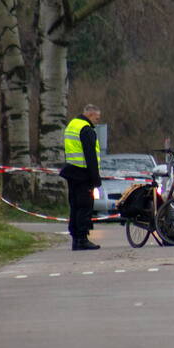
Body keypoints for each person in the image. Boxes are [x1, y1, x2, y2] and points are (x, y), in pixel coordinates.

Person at [59, 104, 103, 251]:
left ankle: (76, 239)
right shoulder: (86, 129)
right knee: (85, 206)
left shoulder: (72, 124)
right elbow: (90, 157)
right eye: (96, 118)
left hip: (72, 172)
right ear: (90, 115)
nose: (97, 121)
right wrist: (95, 179)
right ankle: (82, 239)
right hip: (83, 174)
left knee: (75, 206)